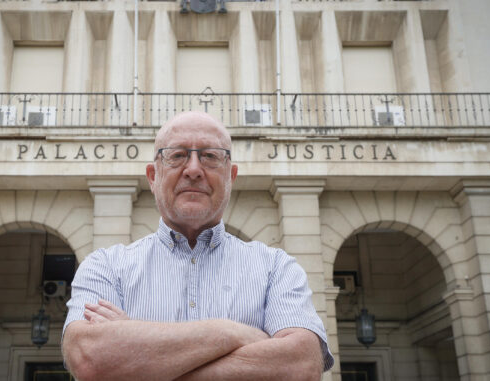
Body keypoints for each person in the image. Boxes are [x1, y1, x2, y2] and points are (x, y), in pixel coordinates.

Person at [62, 111, 334, 380]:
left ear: (231, 176)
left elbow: (301, 366)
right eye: (177, 155)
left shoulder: (277, 267)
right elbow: (89, 359)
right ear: (153, 176)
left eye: (210, 156)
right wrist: (230, 333)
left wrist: (138, 348)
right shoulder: (105, 266)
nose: (193, 170)